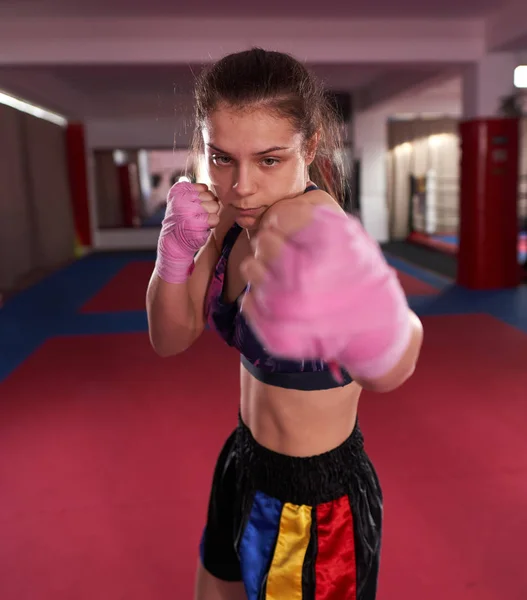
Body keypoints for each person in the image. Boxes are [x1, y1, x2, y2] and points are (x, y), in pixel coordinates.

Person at [146, 48, 423, 600]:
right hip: (243, 459)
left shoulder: (312, 225)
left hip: (311, 502)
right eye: (221, 157)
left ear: (310, 146)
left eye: (269, 160)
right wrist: (173, 255)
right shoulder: (226, 216)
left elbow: (397, 364)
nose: (241, 185)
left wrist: (374, 317)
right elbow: (170, 338)